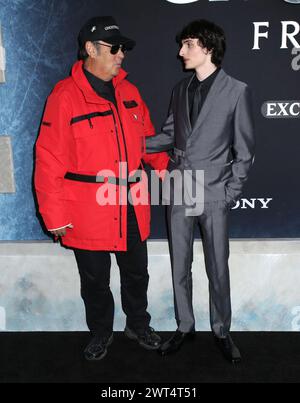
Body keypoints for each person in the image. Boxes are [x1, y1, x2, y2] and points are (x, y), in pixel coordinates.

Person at [35, 16, 169, 361]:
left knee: (137, 273)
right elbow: (49, 159)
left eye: (123, 48)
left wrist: (164, 168)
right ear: (90, 49)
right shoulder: (64, 96)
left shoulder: (130, 92)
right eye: (114, 48)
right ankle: (100, 332)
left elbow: (148, 139)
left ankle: (138, 325)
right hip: (87, 208)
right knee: (95, 280)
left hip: (132, 203)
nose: (121, 54)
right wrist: (54, 215)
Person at [147, 19, 255, 363]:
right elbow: (167, 135)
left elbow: (245, 151)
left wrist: (228, 194)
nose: (180, 52)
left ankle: (222, 330)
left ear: (207, 47)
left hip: (214, 193)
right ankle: (184, 326)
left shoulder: (236, 91)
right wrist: (126, 143)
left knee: (217, 267)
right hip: (179, 189)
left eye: (188, 45)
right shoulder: (180, 89)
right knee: (180, 264)